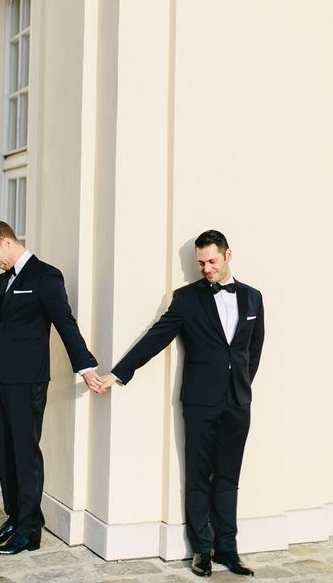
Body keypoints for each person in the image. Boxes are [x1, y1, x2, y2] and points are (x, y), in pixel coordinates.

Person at [100, 230, 264, 577]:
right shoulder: (187, 299)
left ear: (228, 255)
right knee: (198, 476)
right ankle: (201, 550)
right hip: (201, 402)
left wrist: (243, 384)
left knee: (229, 477)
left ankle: (228, 549)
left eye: (211, 261)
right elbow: (156, 337)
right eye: (200, 263)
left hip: (238, 401)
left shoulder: (253, 298)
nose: (205, 268)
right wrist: (118, 373)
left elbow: (254, 350)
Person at [0, 221, 102, 555]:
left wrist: (85, 365)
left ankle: (30, 530)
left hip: (28, 381)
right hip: (0, 378)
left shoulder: (45, 276)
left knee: (25, 453)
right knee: (5, 452)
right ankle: (15, 517)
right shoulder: (0, 280)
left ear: (5, 242)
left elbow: (64, 322)